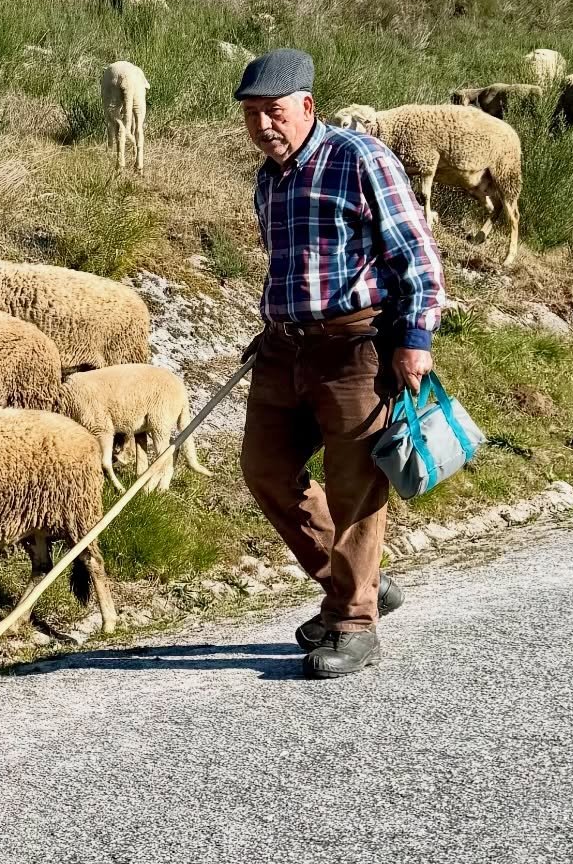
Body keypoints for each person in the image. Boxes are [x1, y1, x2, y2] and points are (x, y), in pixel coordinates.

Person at [235, 48, 445, 678]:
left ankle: (353, 623)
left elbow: (418, 255)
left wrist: (415, 337)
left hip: (356, 346)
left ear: (307, 105)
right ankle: (359, 583)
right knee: (265, 468)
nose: (264, 127)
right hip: (284, 347)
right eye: (252, 116)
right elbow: (289, 268)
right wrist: (271, 324)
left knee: (356, 484)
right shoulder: (267, 180)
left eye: (274, 112)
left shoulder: (361, 158)